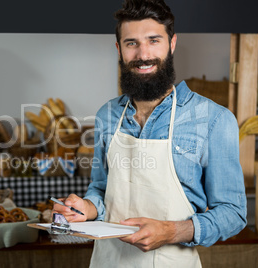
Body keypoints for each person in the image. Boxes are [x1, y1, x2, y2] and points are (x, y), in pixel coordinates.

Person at [52, 0, 247, 267]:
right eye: (132, 43)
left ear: (172, 43)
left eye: (154, 40)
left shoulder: (214, 119)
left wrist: (172, 231)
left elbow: (233, 213)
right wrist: (87, 208)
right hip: (108, 261)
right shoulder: (106, 115)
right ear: (119, 49)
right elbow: (101, 189)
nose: (143, 55)